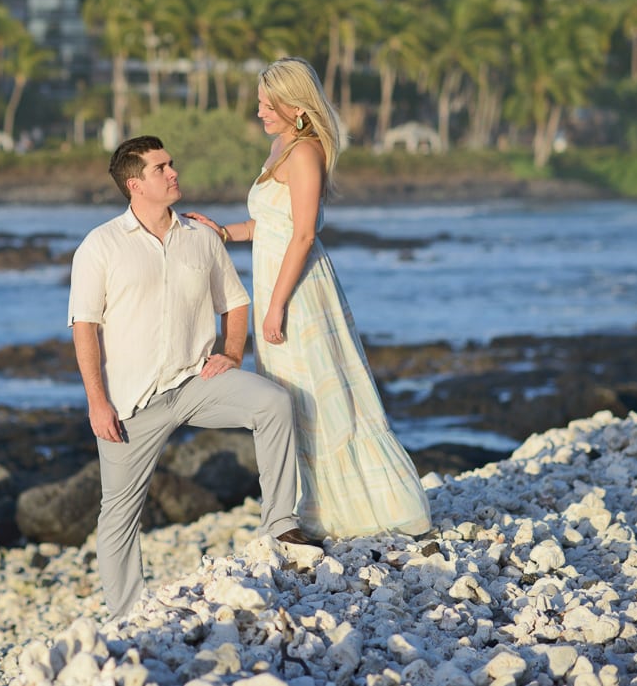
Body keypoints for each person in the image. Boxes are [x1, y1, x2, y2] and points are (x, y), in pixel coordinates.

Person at [68, 134, 317, 621]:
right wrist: (97, 403)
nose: (173, 173)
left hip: (197, 383)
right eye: (162, 169)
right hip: (130, 403)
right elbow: (85, 330)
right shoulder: (100, 246)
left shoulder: (201, 236)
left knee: (273, 404)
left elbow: (236, 301)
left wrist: (231, 351)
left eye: (171, 164)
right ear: (135, 184)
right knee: (118, 513)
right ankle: (125, 614)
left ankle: (282, 526)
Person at [185, 57, 432, 541]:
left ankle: (373, 506)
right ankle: (318, 506)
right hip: (277, 282)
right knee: (293, 395)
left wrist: (275, 307)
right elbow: (268, 227)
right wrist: (222, 232)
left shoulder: (304, 153)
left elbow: (301, 236)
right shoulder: (281, 146)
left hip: (298, 290)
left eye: (265, 104)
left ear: (293, 105)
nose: (258, 112)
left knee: (322, 391)